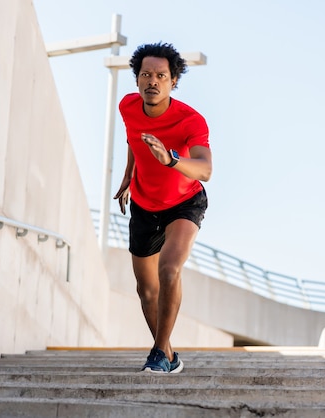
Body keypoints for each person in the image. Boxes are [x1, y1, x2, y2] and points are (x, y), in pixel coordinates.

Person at [113, 42, 213, 374]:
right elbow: (132, 138)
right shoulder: (127, 106)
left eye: (160, 75)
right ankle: (168, 353)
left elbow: (205, 169)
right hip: (143, 204)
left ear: (173, 81)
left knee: (169, 269)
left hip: (184, 203)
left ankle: (157, 353)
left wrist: (171, 159)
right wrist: (129, 174)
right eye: (145, 75)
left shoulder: (189, 120)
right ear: (137, 79)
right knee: (146, 289)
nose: (152, 81)